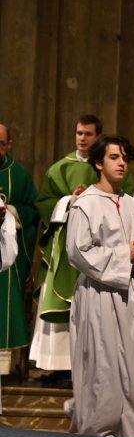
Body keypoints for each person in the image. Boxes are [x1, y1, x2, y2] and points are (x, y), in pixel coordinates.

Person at [67, 135, 134, 437]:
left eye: (124, 158)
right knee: (102, 369)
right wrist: (123, 255)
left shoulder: (131, 205)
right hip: (99, 295)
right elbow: (78, 252)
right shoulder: (85, 205)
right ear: (98, 163)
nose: (121, 163)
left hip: (130, 293)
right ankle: (95, 436)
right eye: (114, 157)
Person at [32, 115, 117, 380]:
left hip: (97, 246)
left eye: (88, 134)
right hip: (65, 246)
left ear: (98, 137)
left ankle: (87, 367)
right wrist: (70, 200)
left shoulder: (107, 167)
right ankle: (56, 366)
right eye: (79, 133)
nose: (82, 138)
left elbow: (120, 199)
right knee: (60, 301)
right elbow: (44, 203)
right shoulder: (59, 168)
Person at [0, 123, 39, 374]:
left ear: (9, 145)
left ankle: (4, 363)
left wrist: (10, 212)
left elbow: (33, 212)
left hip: (6, 253)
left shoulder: (20, 174)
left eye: (1, 143)